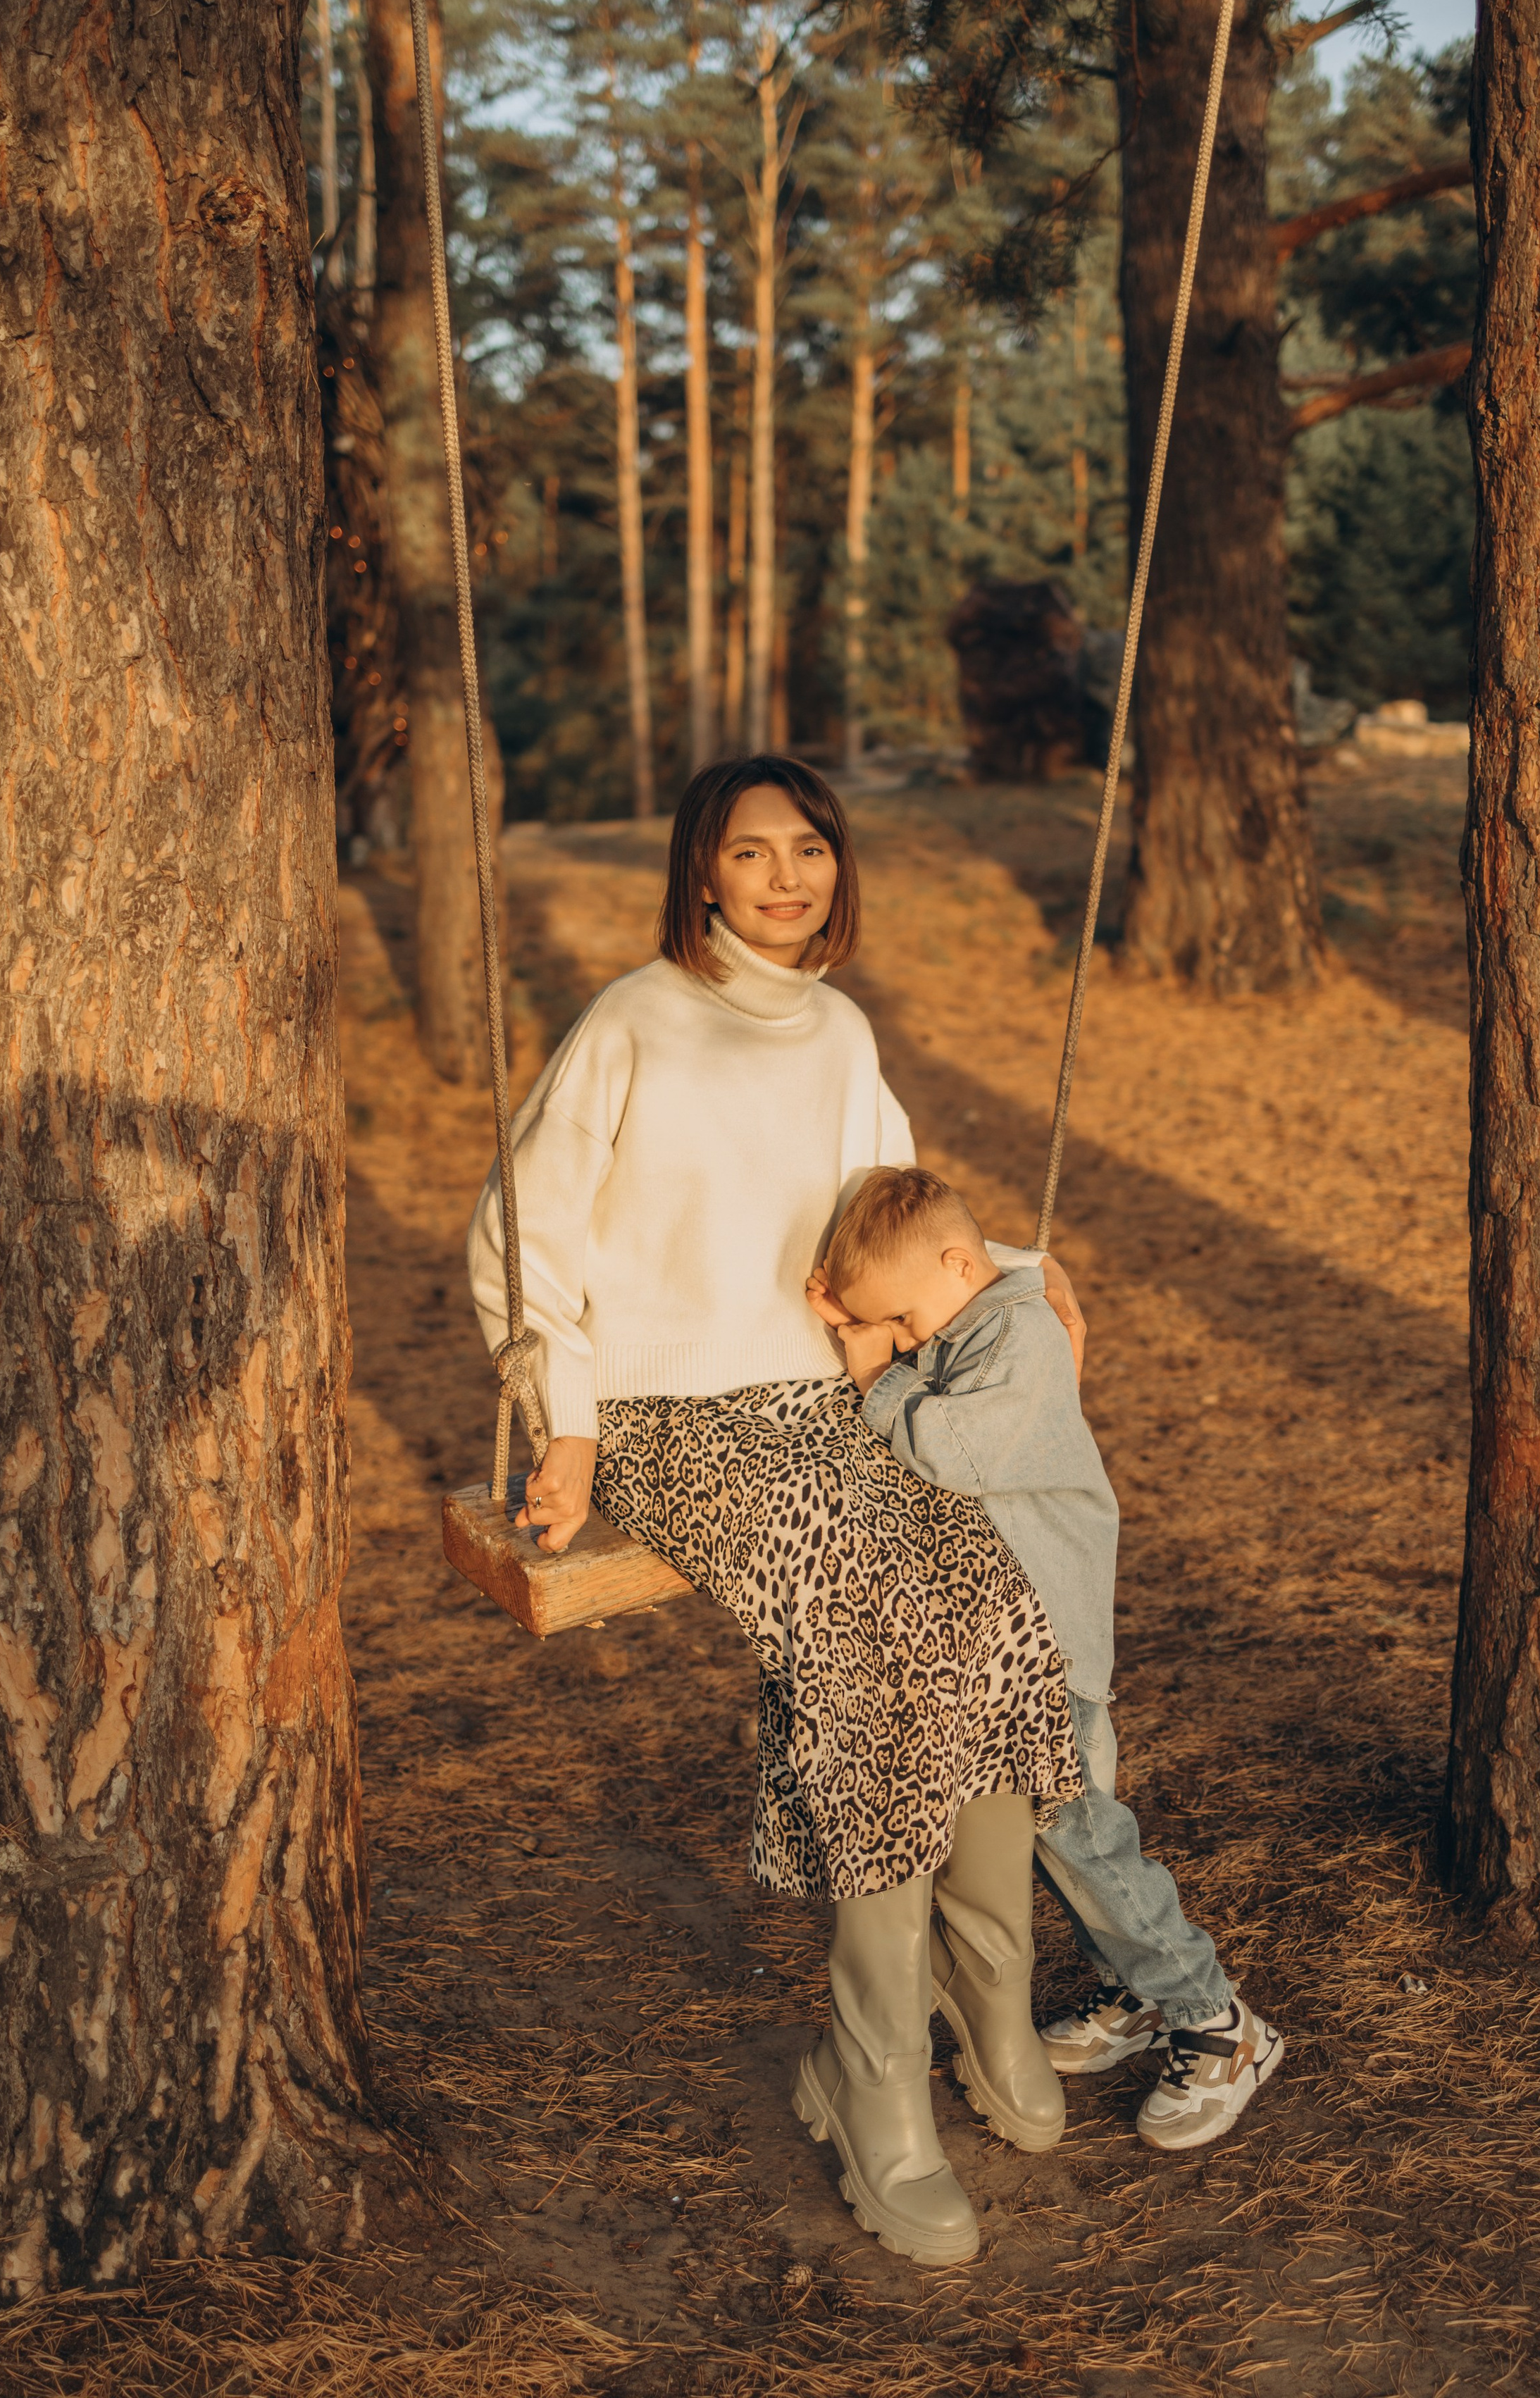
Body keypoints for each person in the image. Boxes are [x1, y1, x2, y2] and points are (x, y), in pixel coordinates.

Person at [466, 756, 1087, 2268]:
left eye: (807, 849)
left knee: (987, 1579)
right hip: (674, 1419)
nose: (785, 877)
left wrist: (1012, 1273)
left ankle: (986, 1989)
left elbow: (893, 1211)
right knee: (870, 1617)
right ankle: (871, 2071)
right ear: (702, 871)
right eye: (751, 854)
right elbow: (520, 1235)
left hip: (819, 1399)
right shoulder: (632, 1021)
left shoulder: (838, 1031)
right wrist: (565, 1423)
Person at [809, 1164, 1285, 2154]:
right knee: (1050, 1837)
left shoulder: (1019, 1339)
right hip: (1009, 1647)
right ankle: (1134, 1991)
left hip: (1051, 1649)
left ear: (959, 1265)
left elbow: (954, 1451)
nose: (902, 1337)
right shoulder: (970, 1311)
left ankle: (1216, 2020)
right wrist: (871, 1320)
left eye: (903, 1318)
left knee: (1085, 1838)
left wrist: (874, 1374)